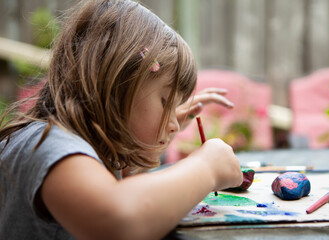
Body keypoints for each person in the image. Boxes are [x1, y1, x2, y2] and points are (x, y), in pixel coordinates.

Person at [0, 0, 243, 239]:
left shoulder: (82, 148)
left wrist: (156, 130)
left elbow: (132, 185)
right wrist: (206, 168)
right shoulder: (51, 145)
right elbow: (119, 219)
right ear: (117, 85)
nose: (174, 124)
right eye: (165, 101)